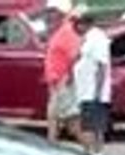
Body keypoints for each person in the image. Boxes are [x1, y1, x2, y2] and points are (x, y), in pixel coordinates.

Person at [73, 7, 112, 155]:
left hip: (92, 92)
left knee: (91, 126)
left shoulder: (97, 39)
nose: (77, 27)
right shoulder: (89, 38)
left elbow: (101, 66)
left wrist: (97, 91)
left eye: (78, 24)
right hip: (86, 91)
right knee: (92, 125)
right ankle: (94, 152)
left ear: (85, 24)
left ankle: (93, 153)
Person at [44, 0, 82, 143]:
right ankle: (52, 150)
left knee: (71, 122)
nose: (50, 15)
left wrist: (68, 77)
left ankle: (91, 152)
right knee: (54, 119)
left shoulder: (67, 32)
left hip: (62, 83)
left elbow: (76, 56)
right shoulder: (58, 32)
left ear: (61, 14)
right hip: (55, 83)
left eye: (53, 12)